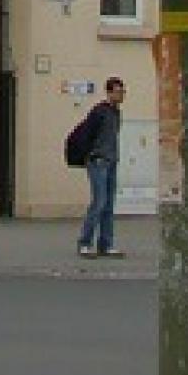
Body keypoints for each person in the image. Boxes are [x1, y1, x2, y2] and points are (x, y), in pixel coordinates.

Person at [76, 75, 126, 258]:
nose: (121, 95)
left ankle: (106, 243)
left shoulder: (116, 112)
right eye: (118, 92)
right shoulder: (99, 112)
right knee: (99, 202)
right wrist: (90, 155)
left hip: (111, 161)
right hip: (98, 161)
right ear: (109, 92)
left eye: (123, 92)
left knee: (109, 204)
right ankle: (85, 242)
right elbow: (87, 135)